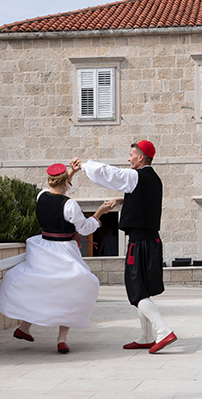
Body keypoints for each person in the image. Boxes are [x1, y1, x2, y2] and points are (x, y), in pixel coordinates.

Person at [0, 162, 114, 354]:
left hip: (42, 248)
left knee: (41, 288)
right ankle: (61, 339)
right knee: (71, 289)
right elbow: (85, 228)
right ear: (65, 182)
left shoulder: (41, 195)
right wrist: (100, 212)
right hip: (62, 251)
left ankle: (24, 328)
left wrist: (71, 172)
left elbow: (59, 193)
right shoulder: (70, 205)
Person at [77, 140, 177, 354]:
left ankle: (164, 332)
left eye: (131, 154)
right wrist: (125, 200)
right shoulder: (154, 179)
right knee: (144, 291)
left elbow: (109, 174)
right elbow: (144, 200)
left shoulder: (135, 176)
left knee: (136, 292)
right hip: (152, 241)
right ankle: (146, 336)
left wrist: (84, 165)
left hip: (139, 243)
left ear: (141, 157)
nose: (128, 158)